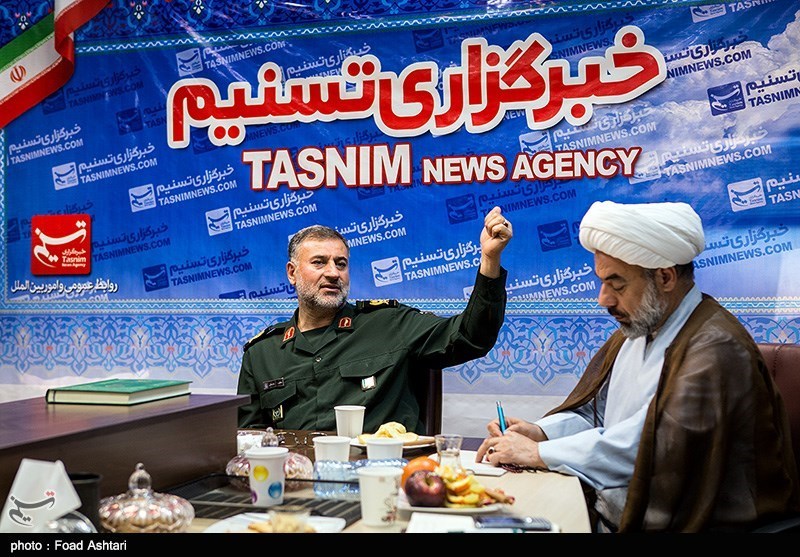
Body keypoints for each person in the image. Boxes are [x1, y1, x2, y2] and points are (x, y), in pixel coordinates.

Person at [476, 200, 800, 532]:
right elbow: (597, 415)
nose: (604, 299)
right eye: (602, 282)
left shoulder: (715, 348)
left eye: (617, 284)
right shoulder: (637, 329)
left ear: (665, 277)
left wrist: (540, 453)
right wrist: (542, 432)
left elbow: (653, 446)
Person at [237, 206, 512, 434]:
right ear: (292, 273)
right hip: (297, 476)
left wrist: (490, 259)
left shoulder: (390, 324)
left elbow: (470, 336)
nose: (333, 273)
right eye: (319, 262)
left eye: (341, 264)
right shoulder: (261, 354)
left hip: (382, 471)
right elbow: (247, 438)